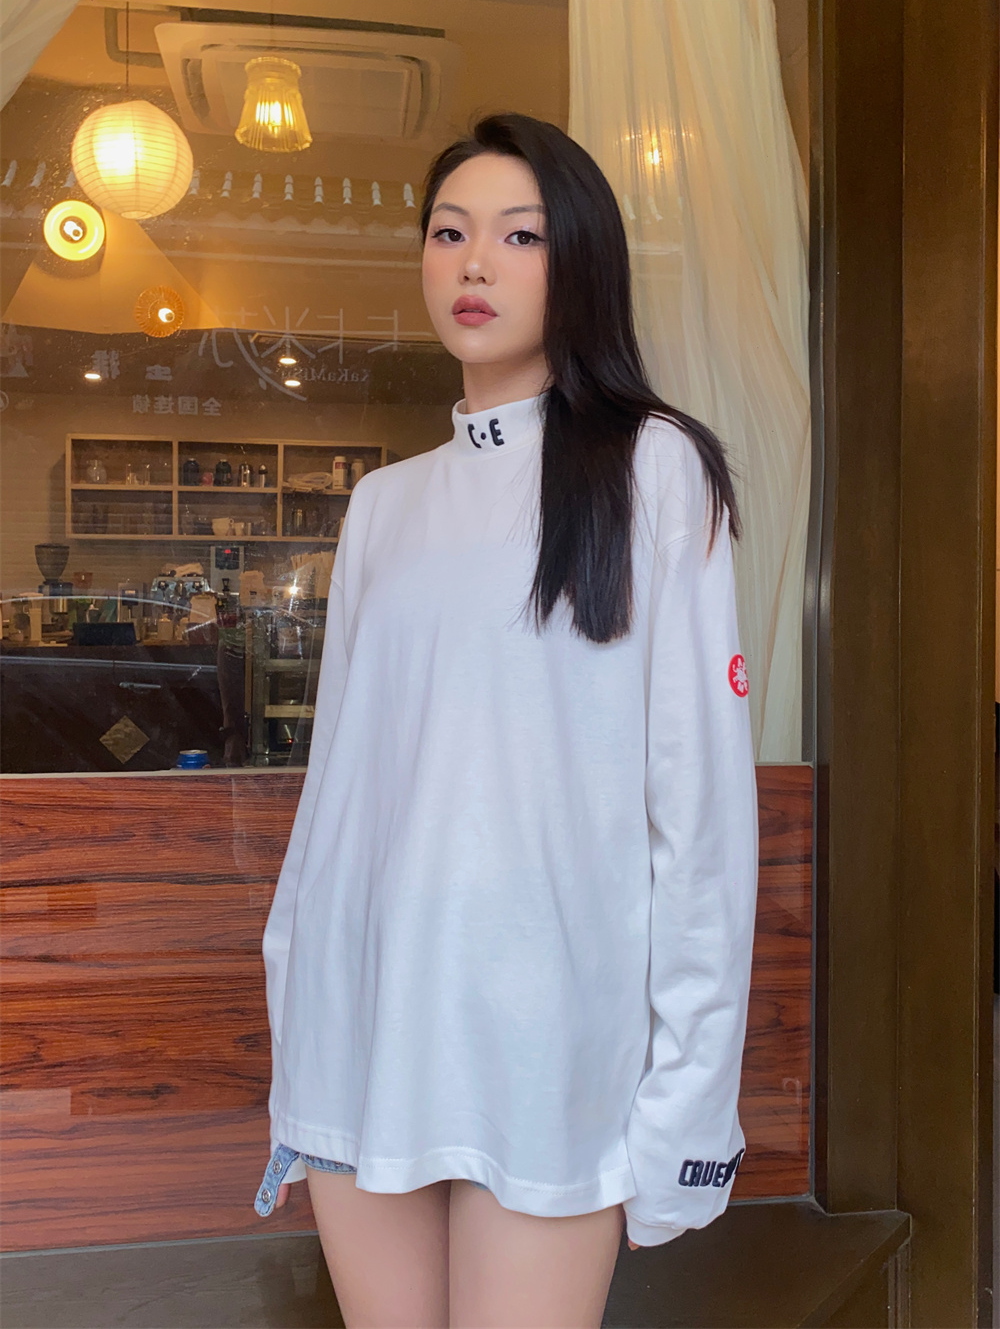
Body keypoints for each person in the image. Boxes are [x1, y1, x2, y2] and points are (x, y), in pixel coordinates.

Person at [255, 112, 759, 1329]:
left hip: (545, 1043)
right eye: (449, 233)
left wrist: (688, 1098)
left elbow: (698, 816)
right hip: (363, 1019)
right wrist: (294, 998)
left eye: (520, 235)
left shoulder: (655, 469)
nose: (474, 262)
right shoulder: (383, 505)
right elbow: (339, 796)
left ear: (578, 260)